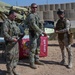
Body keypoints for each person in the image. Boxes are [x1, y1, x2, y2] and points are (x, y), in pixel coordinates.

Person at [25, 3, 46, 69]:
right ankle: (31, 62)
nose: (35, 8)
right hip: (33, 34)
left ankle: (36, 60)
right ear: (31, 8)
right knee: (33, 49)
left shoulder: (37, 15)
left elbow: (40, 23)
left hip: (38, 34)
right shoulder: (31, 16)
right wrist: (41, 31)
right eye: (33, 7)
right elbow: (33, 25)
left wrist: (41, 30)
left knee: (37, 48)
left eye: (36, 7)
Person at [3, 10, 24, 75]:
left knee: (15, 57)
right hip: (10, 44)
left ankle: (13, 69)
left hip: (15, 43)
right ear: (11, 15)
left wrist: (21, 34)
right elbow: (5, 33)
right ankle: (9, 71)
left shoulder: (14, 23)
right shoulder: (6, 22)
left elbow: (16, 31)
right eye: (14, 15)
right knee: (10, 57)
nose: (15, 17)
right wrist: (12, 39)